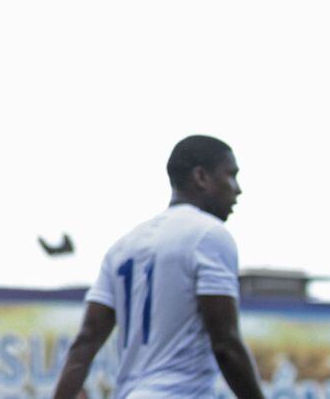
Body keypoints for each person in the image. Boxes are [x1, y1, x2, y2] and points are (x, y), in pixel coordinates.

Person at [52, 135, 264, 399]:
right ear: (201, 177)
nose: (237, 188)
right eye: (231, 175)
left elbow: (84, 344)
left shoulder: (122, 247)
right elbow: (226, 345)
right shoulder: (209, 235)